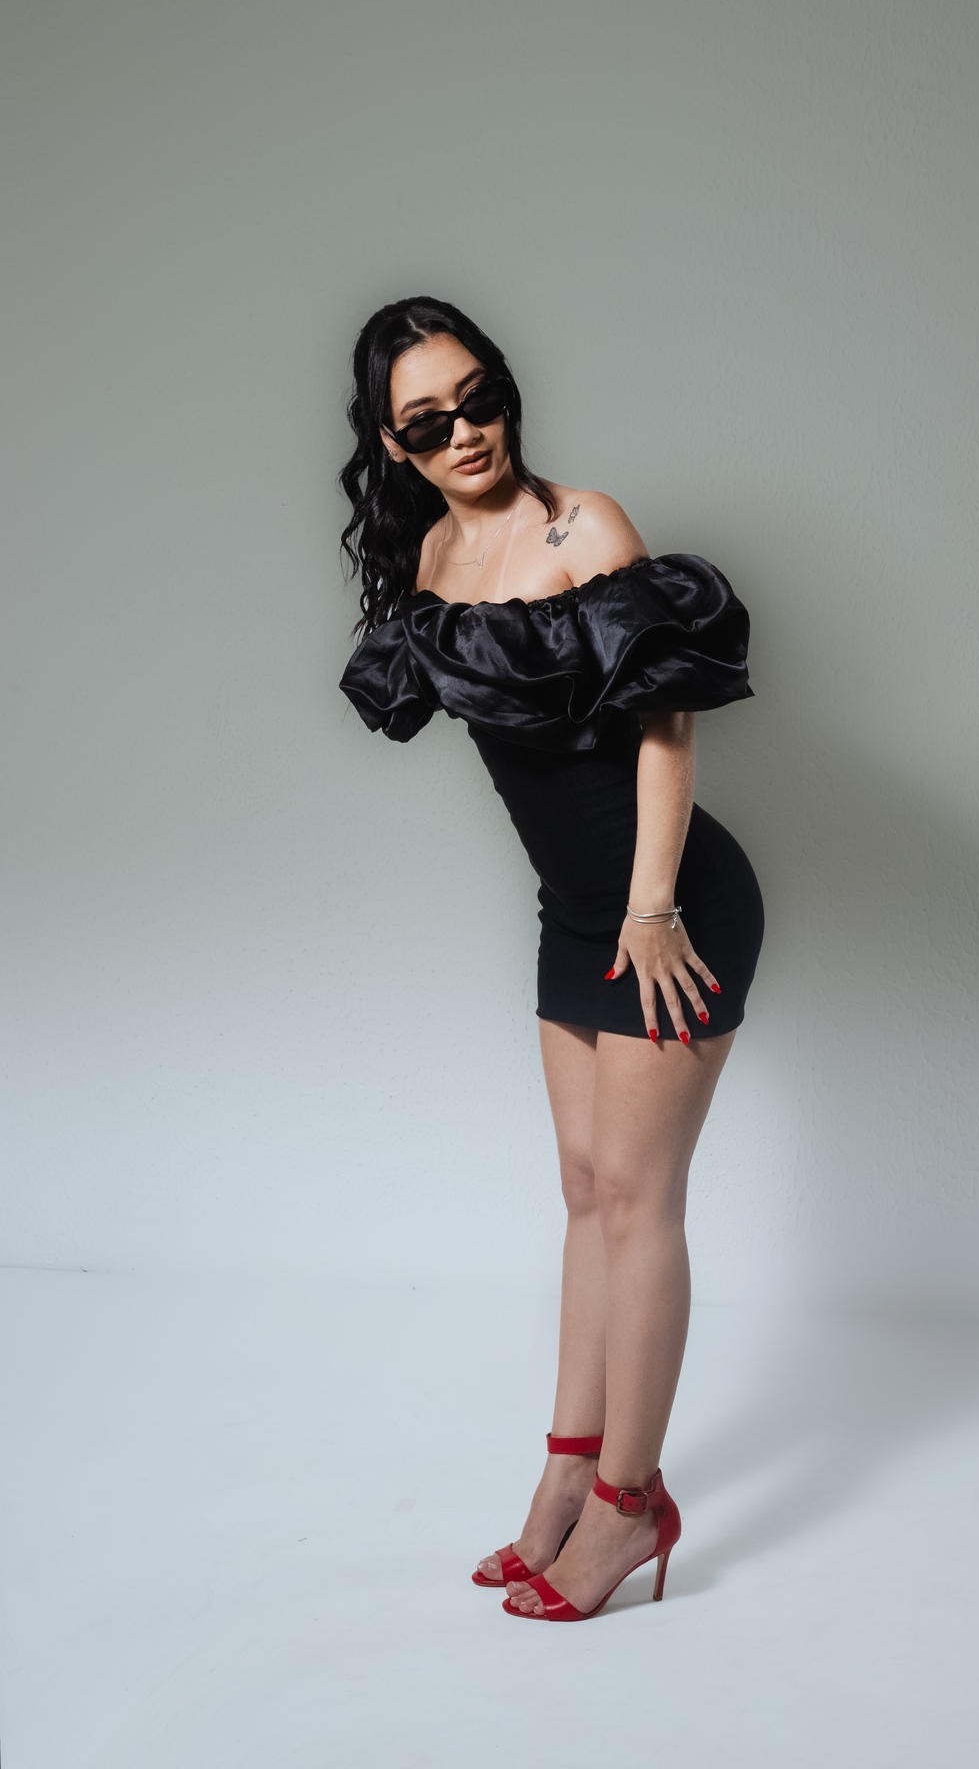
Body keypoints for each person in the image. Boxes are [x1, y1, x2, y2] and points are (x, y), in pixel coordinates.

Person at [338, 296, 765, 1622]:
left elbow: (667, 733)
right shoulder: (432, 557)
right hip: (572, 913)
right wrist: (604, 911)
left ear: (507, 392)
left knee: (640, 1199)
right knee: (585, 1192)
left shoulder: (588, 528)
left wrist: (651, 909)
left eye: (479, 399)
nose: (465, 432)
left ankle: (632, 1506)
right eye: (428, 421)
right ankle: (568, 1476)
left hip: (669, 908)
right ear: (394, 444)